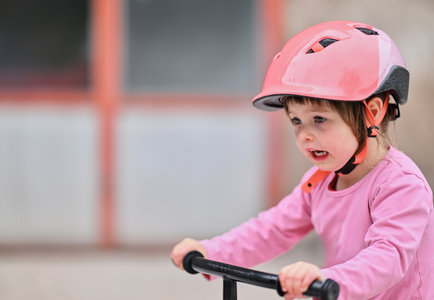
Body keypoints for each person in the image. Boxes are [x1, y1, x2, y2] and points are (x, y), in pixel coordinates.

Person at [171, 20, 434, 299]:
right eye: (297, 121)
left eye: (319, 119)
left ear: (374, 111)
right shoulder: (318, 181)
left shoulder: (401, 185)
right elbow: (271, 230)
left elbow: (388, 258)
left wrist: (326, 277)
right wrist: (212, 251)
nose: (305, 135)